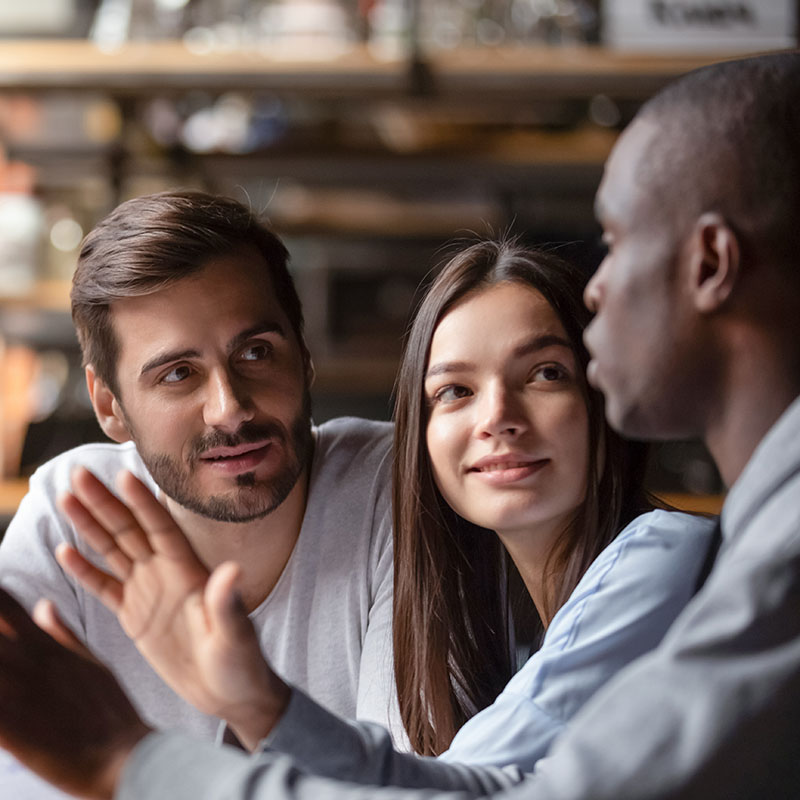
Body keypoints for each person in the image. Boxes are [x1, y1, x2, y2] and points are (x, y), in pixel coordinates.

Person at [1, 48, 799, 800]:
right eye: (453, 391)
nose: (498, 420)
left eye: (545, 372)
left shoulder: (675, 557)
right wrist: (262, 707)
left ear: (710, 264)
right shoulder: (553, 594)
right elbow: (481, 784)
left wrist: (131, 758)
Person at [0, 190, 399, 744]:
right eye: (177, 374)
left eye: (255, 353)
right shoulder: (74, 514)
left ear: (302, 355)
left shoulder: (393, 489)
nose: (229, 407)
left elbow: (412, 784)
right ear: (109, 405)